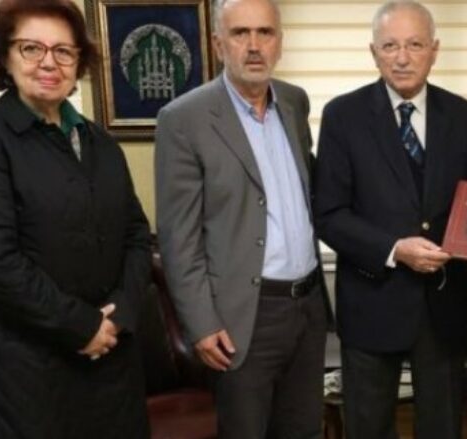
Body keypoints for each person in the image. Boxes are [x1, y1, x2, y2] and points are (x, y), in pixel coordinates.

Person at [154, 0, 333, 437]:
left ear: (280, 43)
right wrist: (202, 324)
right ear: (219, 44)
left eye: (265, 33)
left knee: (304, 431)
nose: (254, 45)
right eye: (240, 33)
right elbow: (179, 238)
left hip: (307, 306)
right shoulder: (184, 119)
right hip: (244, 314)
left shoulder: (293, 101)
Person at [0, 0, 152, 437]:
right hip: (27, 373)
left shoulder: (100, 142)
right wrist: (82, 325)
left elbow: (136, 235)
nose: (49, 63)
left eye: (64, 51)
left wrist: (121, 313)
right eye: (31, 48)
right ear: (4, 56)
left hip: (112, 364)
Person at [313, 1, 467, 438]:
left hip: (443, 304)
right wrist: (394, 250)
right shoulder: (342, 116)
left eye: (415, 45)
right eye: (390, 46)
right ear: (374, 52)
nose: (402, 57)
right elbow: (329, 214)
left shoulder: (463, 116)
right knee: (368, 428)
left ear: (434, 50)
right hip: (372, 300)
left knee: (442, 428)